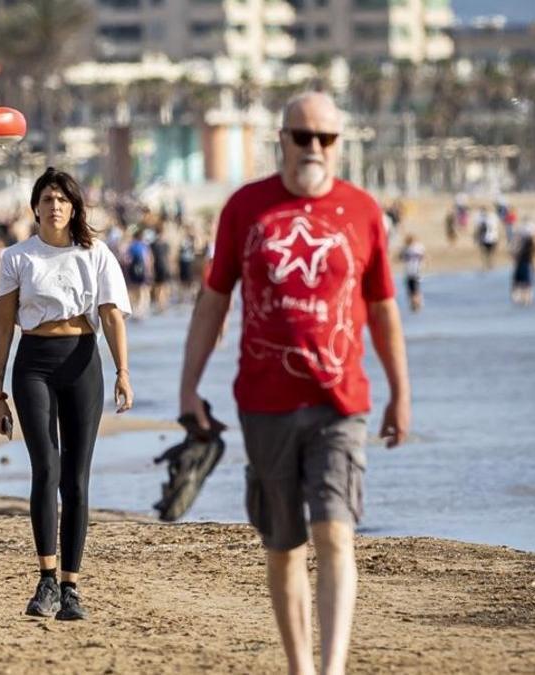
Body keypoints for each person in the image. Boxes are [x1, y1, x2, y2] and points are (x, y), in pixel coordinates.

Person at [179, 92, 411, 675]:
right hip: (263, 403)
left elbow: (383, 310)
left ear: (339, 144)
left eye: (325, 138)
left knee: (335, 531)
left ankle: (330, 669)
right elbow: (213, 301)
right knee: (283, 545)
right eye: (302, 136)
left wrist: (401, 393)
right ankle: (299, 668)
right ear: (280, 139)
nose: (313, 148)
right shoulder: (246, 208)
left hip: (341, 403)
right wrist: (188, 386)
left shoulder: (362, 211)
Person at [0, 167, 133, 622]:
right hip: (33, 363)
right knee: (45, 468)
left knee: (77, 478)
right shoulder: (17, 257)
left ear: (74, 207)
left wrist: (123, 372)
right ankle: (46, 579)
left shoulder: (96, 254)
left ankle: (71, 586)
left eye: (62, 200)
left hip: (82, 362)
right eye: (47, 199)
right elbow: (2, 327)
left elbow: (111, 317)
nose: (54, 206)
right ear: (35, 207)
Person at [122, 228, 152, 319]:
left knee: (134, 288)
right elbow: (147, 259)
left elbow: (127, 259)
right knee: (141, 289)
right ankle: (140, 309)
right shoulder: (143, 246)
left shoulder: (131, 246)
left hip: (133, 269)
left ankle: (136, 308)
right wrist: (149, 271)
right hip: (141, 269)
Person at [511, 220, 535, 307]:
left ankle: (526, 299)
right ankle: (521, 298)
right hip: (521, 264)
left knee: (525, 283)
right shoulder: (522, 243)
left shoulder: (529, 244)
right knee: (519, 282)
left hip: (525, 263)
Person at [400, 235, 426, 313]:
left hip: (412, 272)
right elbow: (423, 257)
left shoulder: (407, 249)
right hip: (413, 272)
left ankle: (416, 304)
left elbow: (401, 257)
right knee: (415, 289)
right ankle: (416, 303)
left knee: (413, 290)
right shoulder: (417, 248)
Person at [150, 222, 172, 312]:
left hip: (157, 266)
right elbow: (169, 257)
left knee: (158, 286)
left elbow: (151, 257)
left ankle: (160, 305)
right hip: (164, 266)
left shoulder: (153, 244)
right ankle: (163, 304)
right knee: (164, 286)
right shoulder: (165, 244)